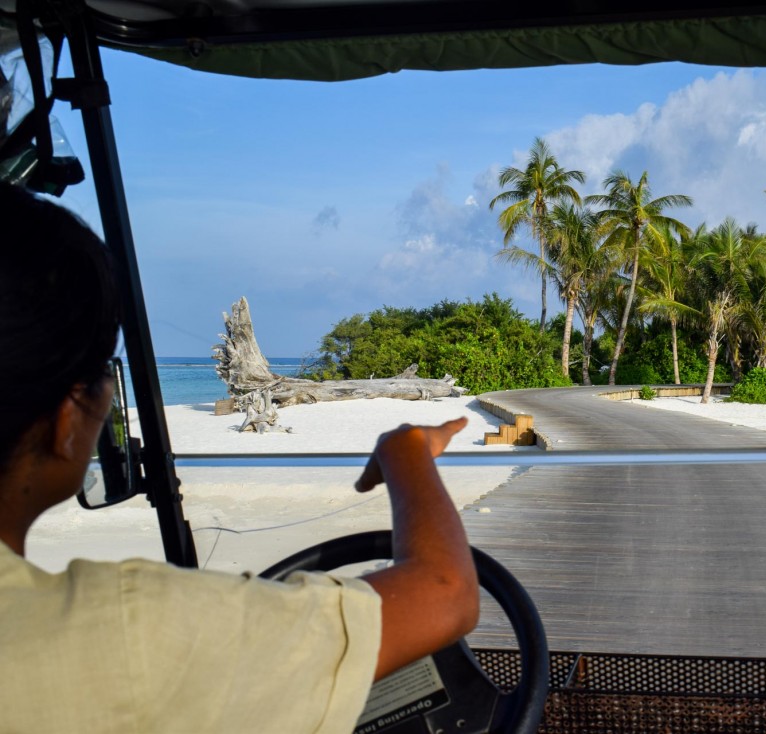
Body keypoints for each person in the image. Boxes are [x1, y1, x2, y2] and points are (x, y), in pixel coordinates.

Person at [0, 183, 479, 732]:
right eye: (105, 374)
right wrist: (407, 453)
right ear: (67, 421)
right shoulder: (128, 631)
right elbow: (447, 594)